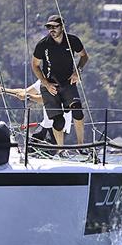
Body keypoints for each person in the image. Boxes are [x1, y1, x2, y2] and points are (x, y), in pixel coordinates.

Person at [31, 14, 89, 147]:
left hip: (68, 83)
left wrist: (77, 71)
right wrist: (45, 83)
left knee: (78, 110)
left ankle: (81, 146)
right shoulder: (43, 44)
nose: (51, 30)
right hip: (50, 85)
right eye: (48, 27)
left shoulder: (72, 40)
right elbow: (34, 64)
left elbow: (84, 56)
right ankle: (60, 149)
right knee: (59, 121)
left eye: (54, 27)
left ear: (62, 27)